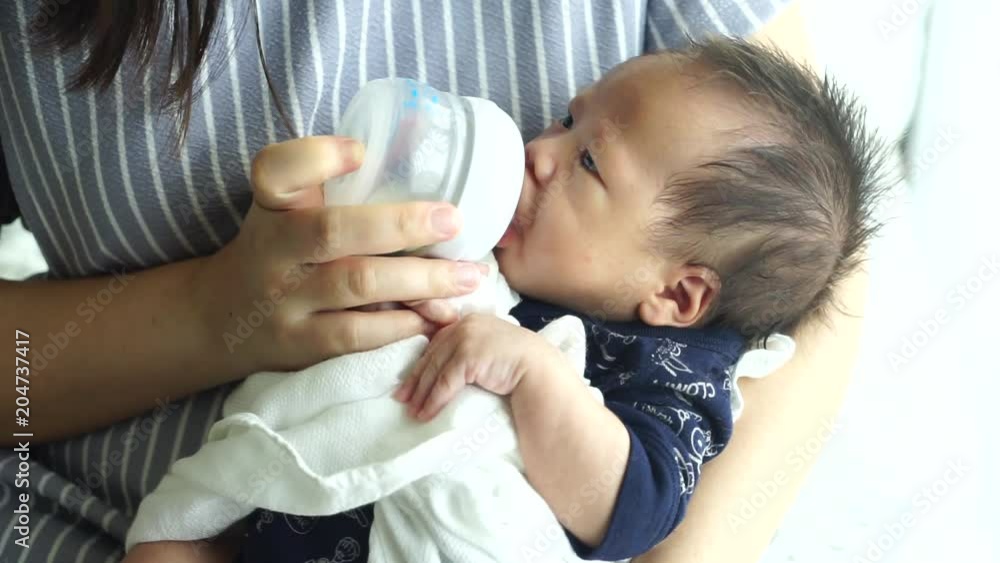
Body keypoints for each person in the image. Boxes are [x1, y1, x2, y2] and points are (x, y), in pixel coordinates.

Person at [0, 2, 867, 562]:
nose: (540, 150)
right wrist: (212, 311)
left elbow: (635, 501)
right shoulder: (502, 261)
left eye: (588, 161)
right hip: (232, 507)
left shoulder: (676, 371)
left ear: (678, 296)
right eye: (566, 122)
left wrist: (532, 375)